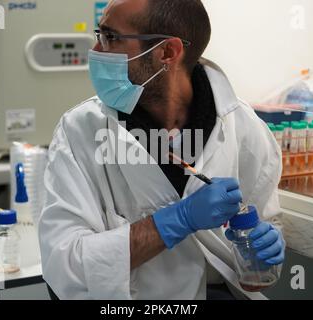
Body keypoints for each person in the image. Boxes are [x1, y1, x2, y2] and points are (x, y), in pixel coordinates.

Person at [39, 0, 285, 300]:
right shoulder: (81, 131)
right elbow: (65, 268)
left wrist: (260, 259)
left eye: (111, 37)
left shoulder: (243, 126)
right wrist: (178, 219)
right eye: (99, 34)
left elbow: (255, 281)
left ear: (167, 52)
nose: (96, 51)